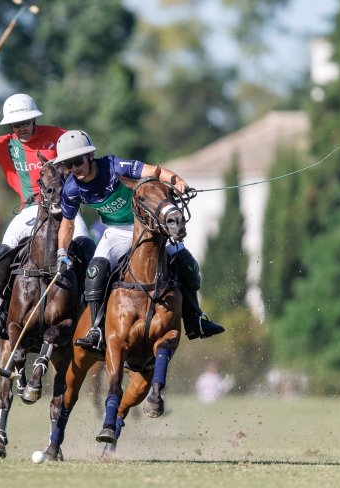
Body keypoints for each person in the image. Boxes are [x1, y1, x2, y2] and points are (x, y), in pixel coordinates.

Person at [53, 130, 225, 351]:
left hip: (147, 226)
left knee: (187, 264)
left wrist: (179, 182)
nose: (74, 168)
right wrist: (61, 253)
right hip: (115, 231)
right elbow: (67, 224)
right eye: (68, 165)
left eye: (77, 161)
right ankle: (96, 329)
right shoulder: (71, 188)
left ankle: (196, 319)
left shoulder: (114, 167)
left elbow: (154, 172)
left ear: (90, 156)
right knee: (95, 271)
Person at [0, 94, 93, 338]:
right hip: (29, 210)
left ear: (33, 120)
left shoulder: (57, 136)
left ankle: (92, 315)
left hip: (65, 206)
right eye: (15, 124)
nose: (20, 128)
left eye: (25, 123)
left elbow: (83, 156)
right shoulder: (6, 144)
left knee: (87, 248)